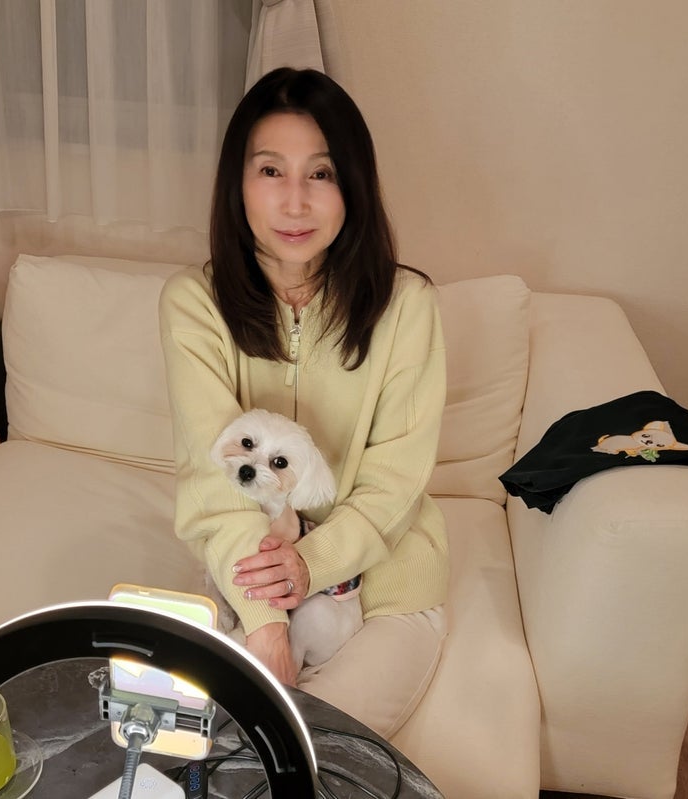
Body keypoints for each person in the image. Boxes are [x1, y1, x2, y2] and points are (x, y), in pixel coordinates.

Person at [159, 67, 449, 738]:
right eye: (270, 171)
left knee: (316, 750)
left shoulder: (408, 306)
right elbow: (216, 475)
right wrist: (266, 625)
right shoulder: (193, 304)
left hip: (386, 584)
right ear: (237, 184)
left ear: (354, 187)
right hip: (246, 573)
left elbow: (394, 480)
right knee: (199, 741)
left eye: (321, 174)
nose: (295, 203)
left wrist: (312, 564)